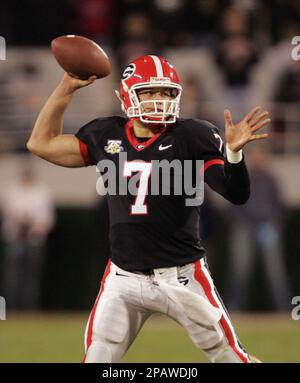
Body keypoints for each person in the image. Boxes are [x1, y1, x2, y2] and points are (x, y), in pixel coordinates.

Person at [27, 55, 270, 363]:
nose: (160, 100)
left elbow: (235, 193)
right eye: (150, 92)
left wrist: (233, 153)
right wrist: (66, 87)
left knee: (229, 356)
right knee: (98, 358)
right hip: (123, 277)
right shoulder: (107, 134)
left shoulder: (192, 135)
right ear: (128, 94)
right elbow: (41, 143)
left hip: (182, 276)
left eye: (167, 93)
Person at [228, 146, 291, 311]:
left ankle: (283, 309)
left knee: (275, 271)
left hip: (267, 228)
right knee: (241, 269)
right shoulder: (242, 176)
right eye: (254, 155)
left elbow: (279, 205)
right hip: (245, 228)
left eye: (259, 155)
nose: (257, 158)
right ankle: (235, 308)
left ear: (264, 157)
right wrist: (242, 222)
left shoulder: (271, 178)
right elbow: (233, 203)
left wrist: (272, 224)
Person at [1, 166, 55, 310]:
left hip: (34, 239)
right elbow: (8, 210)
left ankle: (29, 309)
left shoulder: (41, 191)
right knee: (13, 276)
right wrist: (20, 221)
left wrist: (35, 225)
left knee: (32, 277)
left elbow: (47, 217)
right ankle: (11, 309)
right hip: (15, 238)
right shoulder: (13, 189)